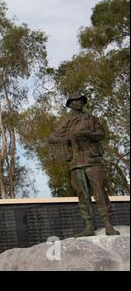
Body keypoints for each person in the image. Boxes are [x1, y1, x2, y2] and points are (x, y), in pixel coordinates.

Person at [49, 93, 120, 237]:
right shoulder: (66, 122)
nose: (80, 102)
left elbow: (101, 134)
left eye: (81, 100)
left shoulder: (92, 119)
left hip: (92, 160)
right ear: (70, 104)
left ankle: (107, 224)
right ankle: (89, 226)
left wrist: (87, 134)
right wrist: (69, 137)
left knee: (100, 191)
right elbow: (52, 138)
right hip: (75, 162)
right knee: (82, 195)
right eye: (76, 101)